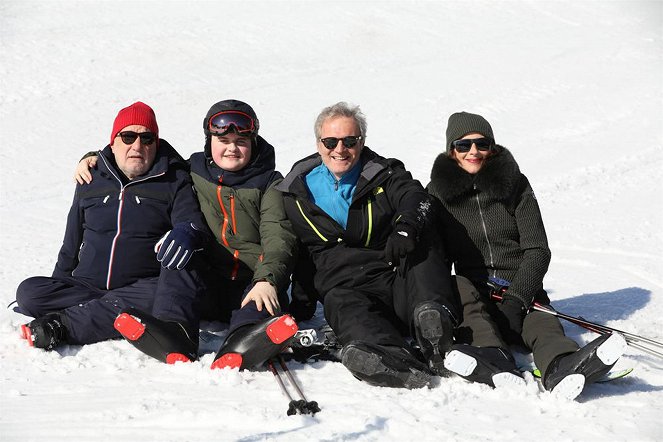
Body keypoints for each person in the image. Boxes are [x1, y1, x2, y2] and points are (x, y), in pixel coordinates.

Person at [276, 101, 515, 389]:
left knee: (424, 240)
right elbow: (299, 250)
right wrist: (300, 304)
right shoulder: (295, 191)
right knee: (341, 304)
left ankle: (433, 326)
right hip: (348, 288)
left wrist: (406, 227)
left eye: (350, 141)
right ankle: (387, 357)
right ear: (318, 143)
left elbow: (417, 197)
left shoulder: (383, 173)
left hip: (398, 278)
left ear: (361, 142)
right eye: (331, 141)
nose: (340, 149)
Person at [73, 100, 299, 370]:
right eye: (223, 139)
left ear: (253, 143)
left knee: (258, 298)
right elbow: (153, 157)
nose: (231, 148)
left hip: (252, 285)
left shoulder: (270, 183)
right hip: (207, 287)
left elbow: (278, 237)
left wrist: (268, 280)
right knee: (179, 254)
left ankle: (245, 338)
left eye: (241, 141)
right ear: (209, 141)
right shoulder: (192, 170)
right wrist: (95, 158)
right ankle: (174, 332)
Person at [426, 111, 627, 399]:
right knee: (463, 293)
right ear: (451, 151)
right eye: (463, 145)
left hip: (519, 285)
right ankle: (493, 359)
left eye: (482, 144)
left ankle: (562, 366)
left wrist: (517, 298)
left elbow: (538, 249)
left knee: (541, 320)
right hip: (474, 289)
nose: (474, 152)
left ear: (492, 147)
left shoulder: (515, 185)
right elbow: (436, 255)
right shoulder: (437, 193)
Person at [16, 102, 208, 364]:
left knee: (158, 296)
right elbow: (71, 241)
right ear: (113, 141)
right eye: (128, 137)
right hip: (88, 284)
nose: (137, 146)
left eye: (146, 138)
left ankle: (66, 325)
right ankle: (111, 310)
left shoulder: (174, 180)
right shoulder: (91, 177)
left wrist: (187, 231)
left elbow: (191, 221)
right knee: (29, 293)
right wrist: (58, 284)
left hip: (142, 286)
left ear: (156, 142)